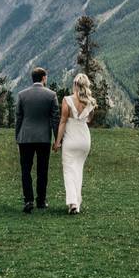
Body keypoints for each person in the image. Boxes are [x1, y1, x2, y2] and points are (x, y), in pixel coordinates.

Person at [15, 67, 59, 213]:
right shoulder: (51, 95)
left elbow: (19, 118)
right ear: (44, 78)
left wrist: (18, 136)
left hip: (25, 137)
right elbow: (55, 119)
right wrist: (57, 138)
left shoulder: (22, 95)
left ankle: (28, 200)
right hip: (43, 138)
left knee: (25, 170)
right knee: (42, 170)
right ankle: (41, 200)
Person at [53, 72, 94, 214]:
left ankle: (73, 203)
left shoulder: (67, 100)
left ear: (75, 85)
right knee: (78, 170)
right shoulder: (90, 102)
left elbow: (63, 121)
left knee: (69, 171)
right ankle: (77, 201)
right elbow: (89, 120)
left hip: (71, 139)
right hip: (84, 139)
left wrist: (57, 142)